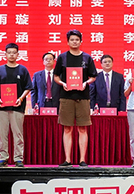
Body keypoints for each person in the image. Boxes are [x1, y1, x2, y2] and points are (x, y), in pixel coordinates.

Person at [53, 29, 98, 166]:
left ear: (81, 41)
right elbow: (56, 76)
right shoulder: (62, 57)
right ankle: (68, 159)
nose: (74, 42)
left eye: (77, 39)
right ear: (68, 42)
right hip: (66, 97)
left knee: (82, 128)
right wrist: (63, 83)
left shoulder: (87, 58)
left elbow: (93, 76)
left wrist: (86, 83)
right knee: (67, 129)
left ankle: (82, 159)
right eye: (72, 39)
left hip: (83, 97)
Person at [0, 42, 31, 167]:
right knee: (2, 134)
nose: (11, 55)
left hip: (17, 107)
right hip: (1, 107)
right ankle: (3, 158)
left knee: (18, 134)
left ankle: (18, 158)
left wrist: (21, 98)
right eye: (9, 53)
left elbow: (28, 87)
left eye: (14, 53)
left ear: (18, 54)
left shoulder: (23, 70)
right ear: (5, 54)